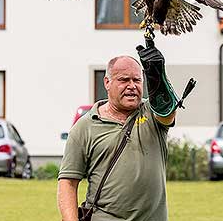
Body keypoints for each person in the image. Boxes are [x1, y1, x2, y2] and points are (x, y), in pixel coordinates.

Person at [58, 42, 179, 221]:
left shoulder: (151, 113)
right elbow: (67, 183)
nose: (131, 86)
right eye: (124, 80)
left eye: (137, 80)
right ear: (107, 82)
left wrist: (158, 77)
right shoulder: (85, 127)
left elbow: (167, 113)